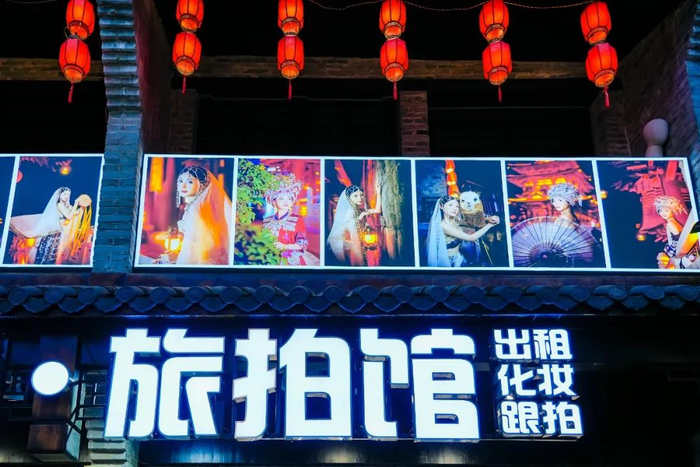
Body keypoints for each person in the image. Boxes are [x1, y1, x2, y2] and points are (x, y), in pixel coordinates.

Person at [173, 166, 232, 265]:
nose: (183, 186)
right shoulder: (199, 204)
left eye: (190, 182)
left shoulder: (196, 208)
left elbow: (198, 244)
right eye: (180, 181)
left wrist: (178, 259)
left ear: (202, 185)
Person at [426, 195, 499, 267]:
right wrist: (490, 225)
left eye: (457, 206)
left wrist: (488, 218)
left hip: (458, 256)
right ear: (441, 206)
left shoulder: (455, 220)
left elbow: (470, 223)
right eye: (450, 205)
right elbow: (471, 238)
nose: (454, 208)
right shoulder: (443, 225)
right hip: (449, 261)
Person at [263, 174, 319, 266]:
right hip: (270, 258)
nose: (286, 201)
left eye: (289, 198)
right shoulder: (267, 221)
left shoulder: (297, 220)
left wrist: (285, 246)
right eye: (281, 198)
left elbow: (302, 244)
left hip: (290, 258)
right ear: (274, 201)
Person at [327, 184, 382, 267]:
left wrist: (378, 192)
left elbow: (377, 210)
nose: (360, 198)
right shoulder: (350, 211)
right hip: (351, 246)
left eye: (361, 195)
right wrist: (358, 219)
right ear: (349, 198)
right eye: (355, 196)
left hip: (360, 244)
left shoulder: (358, 210)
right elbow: (345, 227)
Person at [30, 187, 85, 264]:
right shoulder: (59, 205)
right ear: (60, 194)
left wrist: (82, 206)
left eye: (68, 194)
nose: (66, 196)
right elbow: (69, 216)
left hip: (59, 233)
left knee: (53, 254)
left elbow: (75, 213)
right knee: (47, 254)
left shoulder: (67, 206)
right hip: (52, 233)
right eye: (65, 194)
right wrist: (75, 204)